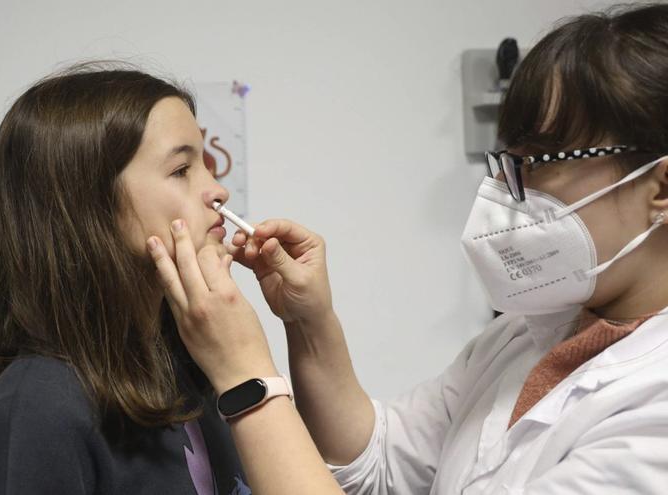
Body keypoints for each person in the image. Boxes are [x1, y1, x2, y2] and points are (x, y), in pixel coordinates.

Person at [147, 4, 668, 494]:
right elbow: (375, 462)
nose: (513, 191)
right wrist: (309, 322)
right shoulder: (530, 334)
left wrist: (245, 377)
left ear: (660, 189)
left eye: (548, 159)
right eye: (512, 163)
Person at [0, 63, 254, 494]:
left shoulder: (190, 366)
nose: (218, 192)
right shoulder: (40, 407)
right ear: (91, 206)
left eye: (207, 164)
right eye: (182, 170)